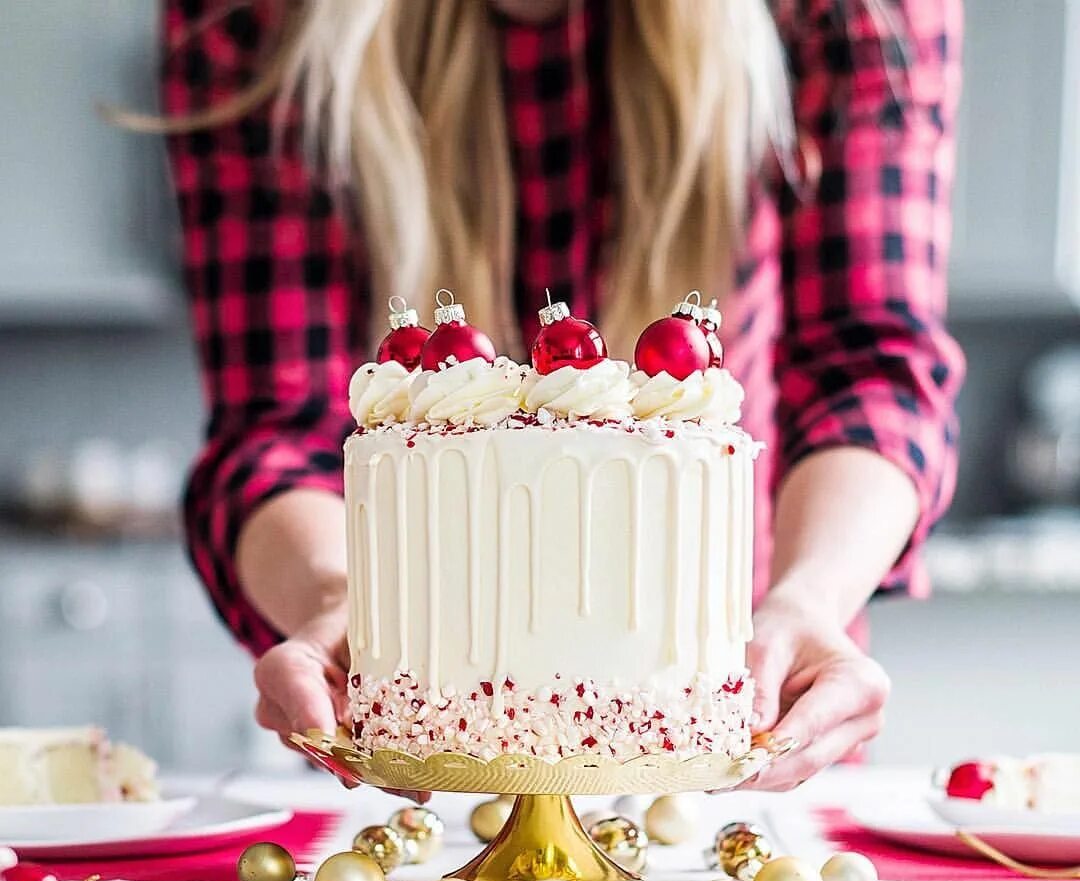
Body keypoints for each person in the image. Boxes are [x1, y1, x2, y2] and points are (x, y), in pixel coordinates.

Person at [153, 0, 964, 791]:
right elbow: (275, 426)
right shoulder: (249, 17)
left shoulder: (856, 10)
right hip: (427, 741)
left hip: (730, 721)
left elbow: (871, 371)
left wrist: (811, 597)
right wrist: (345, 607)